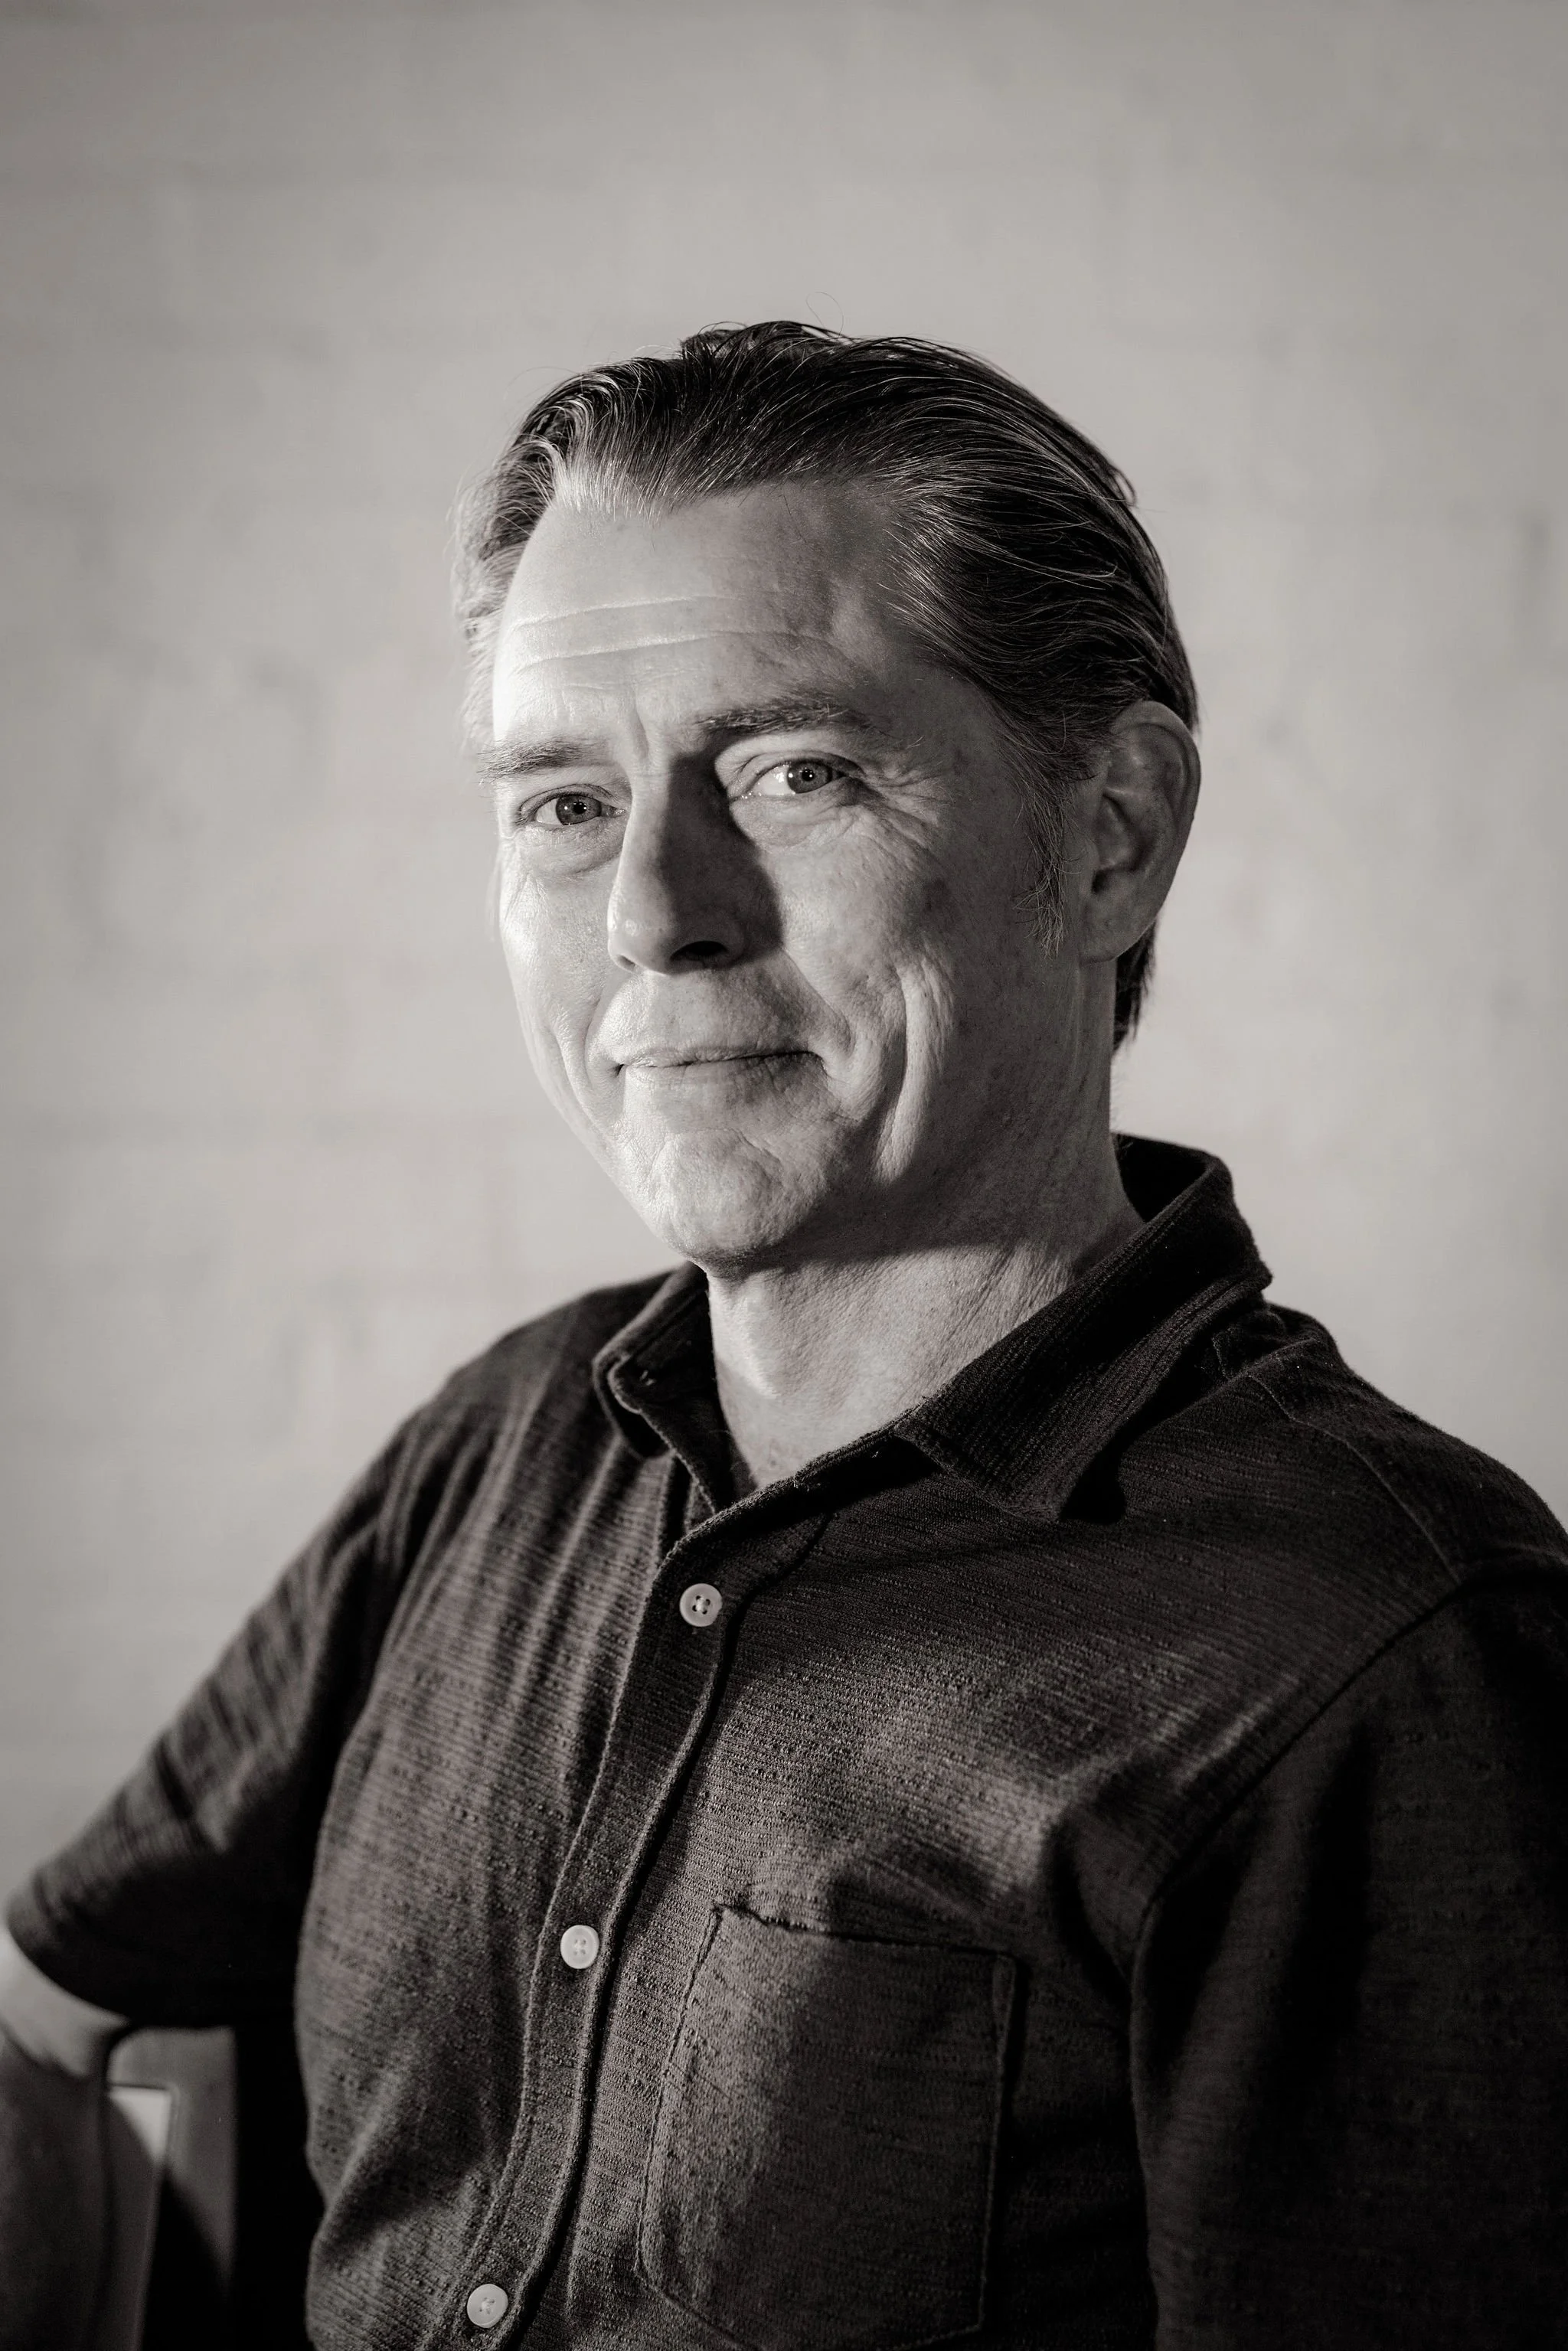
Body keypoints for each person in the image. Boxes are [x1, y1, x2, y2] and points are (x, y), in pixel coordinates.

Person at [2, 322, 1565, 2351]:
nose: (653, 910)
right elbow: (59, 2022)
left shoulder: (1386, 1645)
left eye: (796, 774)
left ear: (1110, 833)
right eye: (566, 800)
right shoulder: (500, 1447)